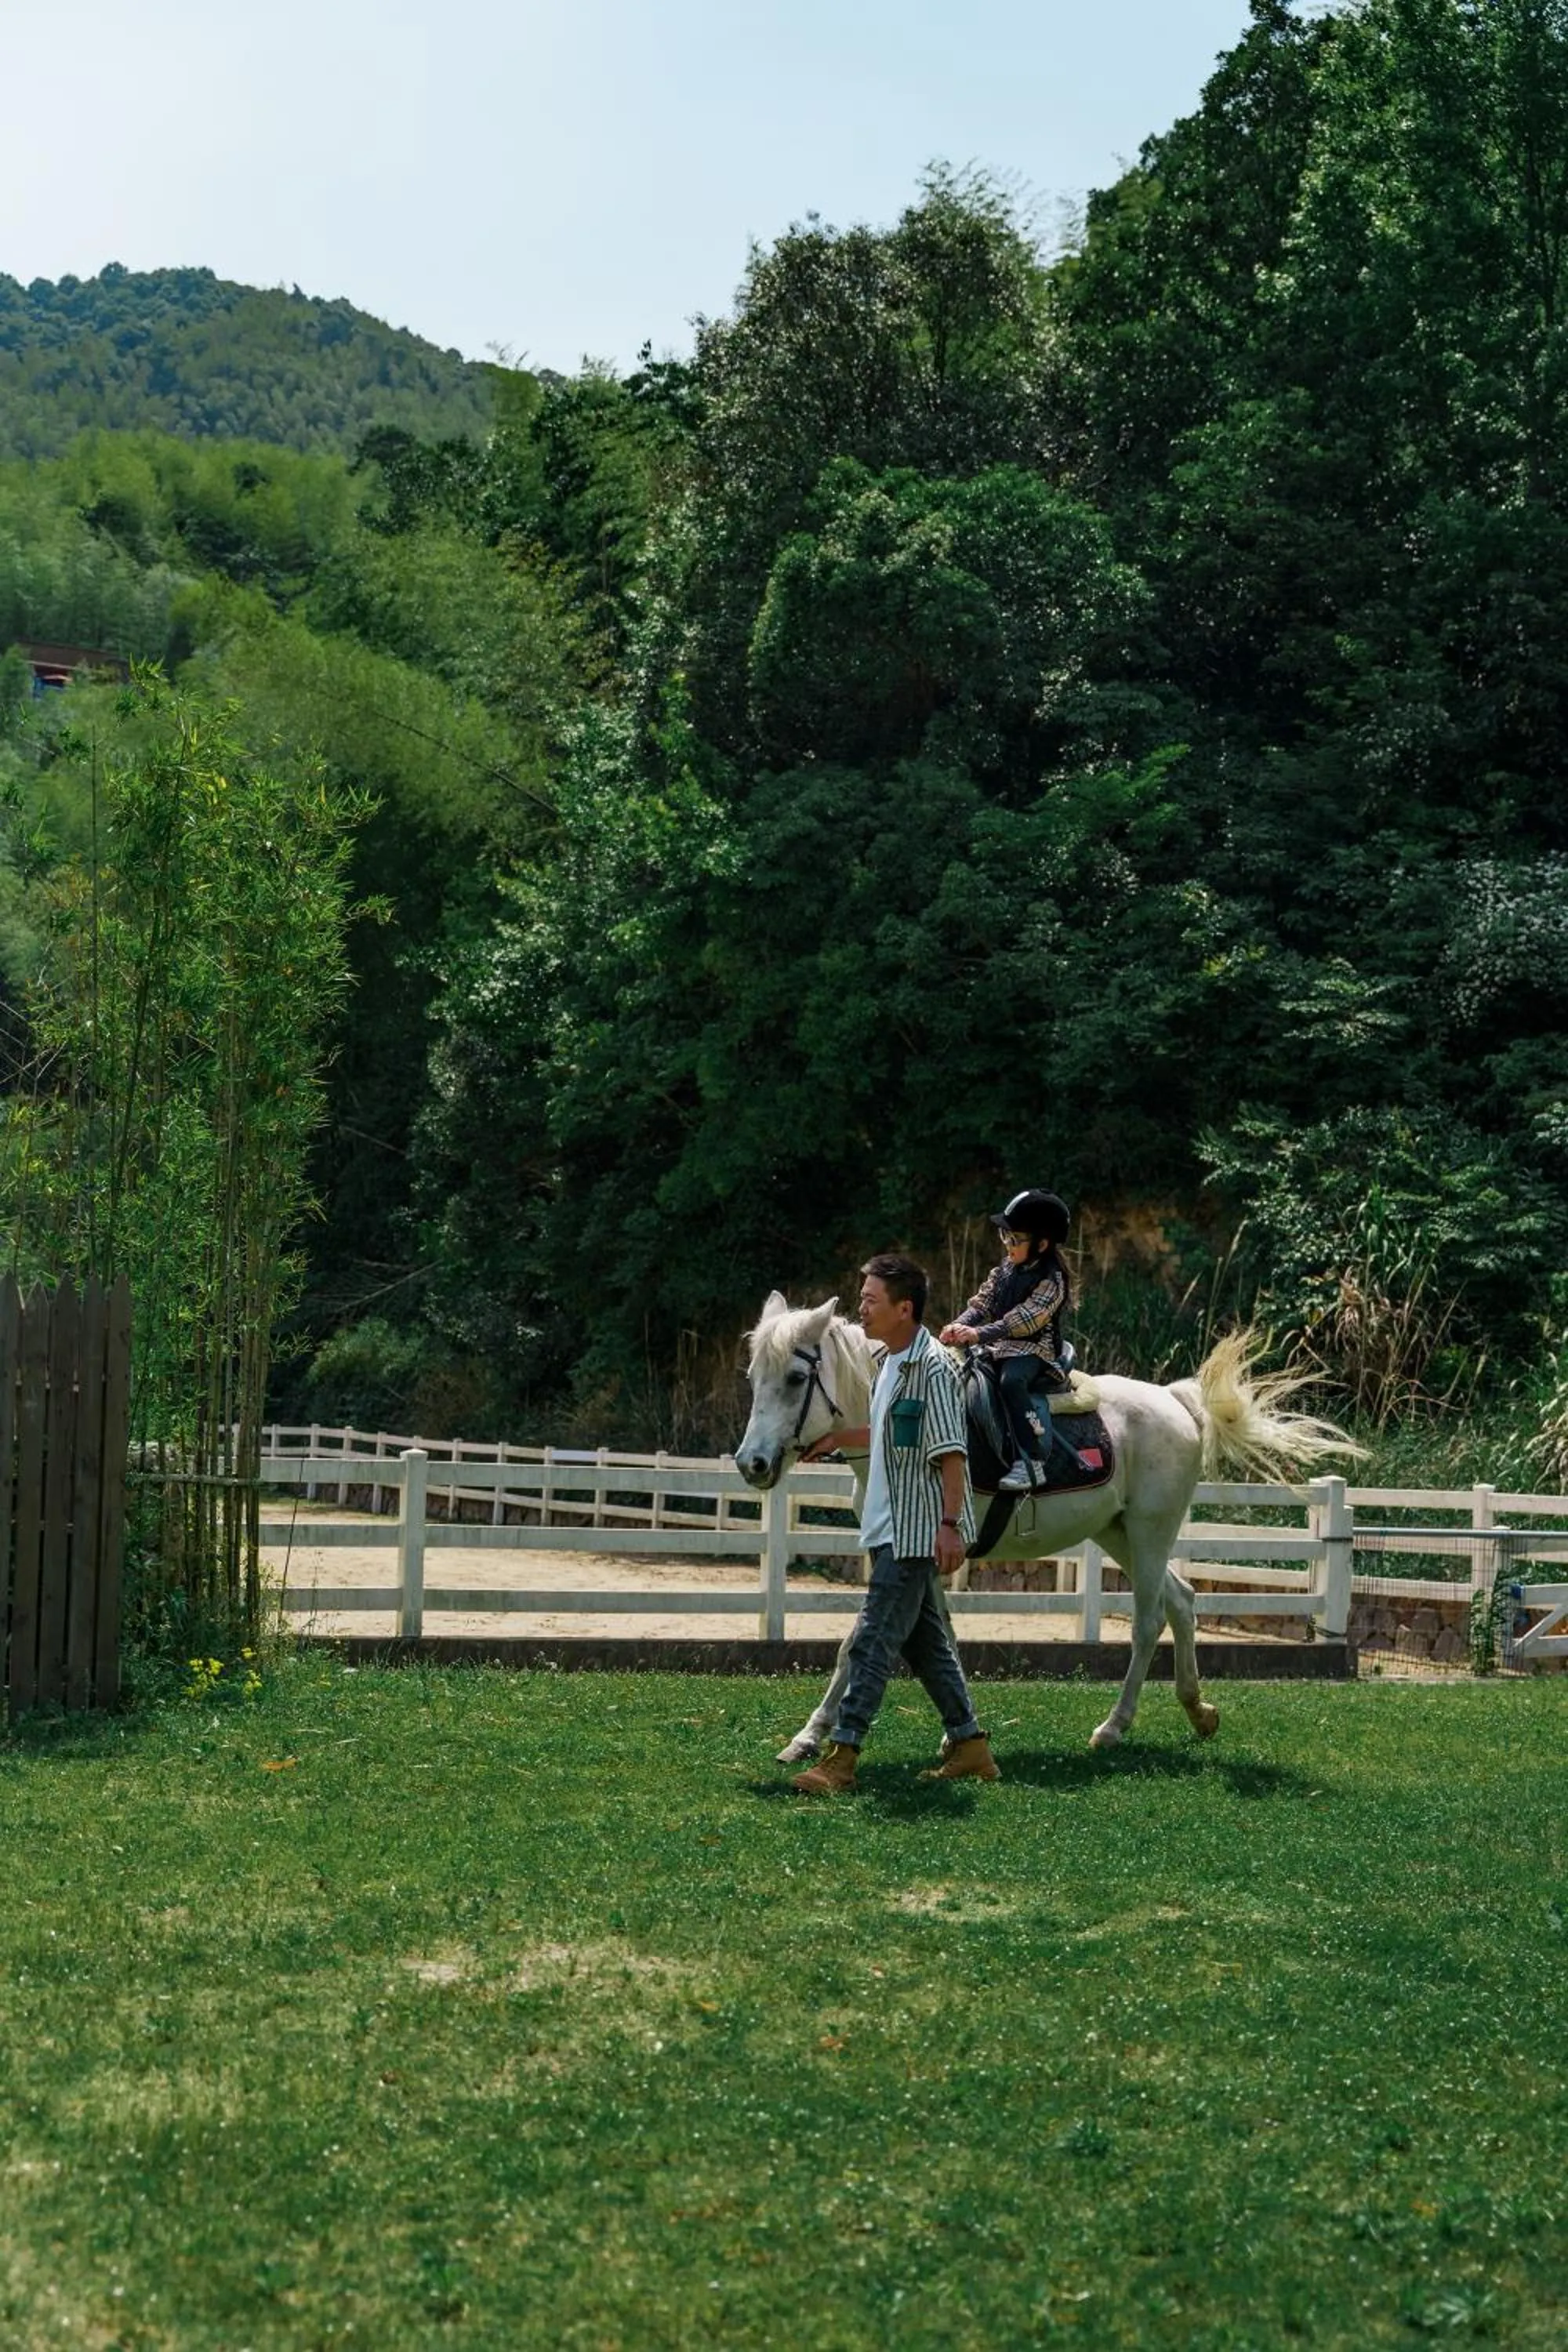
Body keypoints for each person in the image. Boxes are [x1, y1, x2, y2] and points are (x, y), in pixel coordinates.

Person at [791, 1252, 1000, 1795]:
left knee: (873, 1642)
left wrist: (950, 1524)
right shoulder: (887, 1363)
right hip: (889, 1528)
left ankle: (842, 1757)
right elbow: (887, 1431)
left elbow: (952, 1452)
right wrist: (839, 1439)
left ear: (904, 1308)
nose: (861, 1308)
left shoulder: (934, 1367)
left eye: (870, 1301)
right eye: (861, 1298)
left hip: (916, 1531)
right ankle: (971, 1745)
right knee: (924, 1646)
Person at [938, 1189, 1073, 1494]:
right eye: (1005, 1237)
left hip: (1034, 1351)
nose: (1008, 1245)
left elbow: (1026, 1320)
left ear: (1041, 1244)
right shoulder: (1004, 1270)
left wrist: (979, 1334)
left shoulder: (1052, 1280)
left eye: (1015, 1239)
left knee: (1012, 1382)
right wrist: (960, 1324)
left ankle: (1031, 1462)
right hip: (999, 1346)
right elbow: (981, 1303)